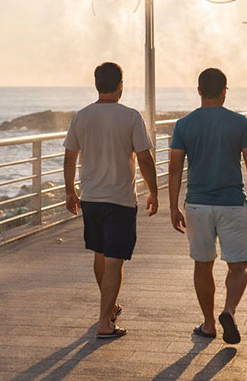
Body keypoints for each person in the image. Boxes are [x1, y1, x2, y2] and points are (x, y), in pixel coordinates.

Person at [64, 62, 159, 339]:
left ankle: (111, 307)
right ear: (121, 84)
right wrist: (154, 190)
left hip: (91, 198)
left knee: (100, 254)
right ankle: (105, 322)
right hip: (120, 200)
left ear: (96, 85)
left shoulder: (81, 116)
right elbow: (144, 158)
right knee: (115, 260)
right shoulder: (130, 117)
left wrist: (70, 191)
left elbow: (70, 156)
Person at [168, 68, 247, 345]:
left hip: (197, 205)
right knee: (238, 265)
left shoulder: (184, 124)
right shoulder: (239, 122)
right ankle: (229, 311)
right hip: (233, 204)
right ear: (225, 90)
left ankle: (209, 324)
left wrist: (174, 206)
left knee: (203, 264)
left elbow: (174, 170)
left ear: (199, 91)